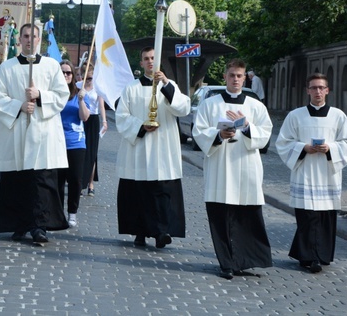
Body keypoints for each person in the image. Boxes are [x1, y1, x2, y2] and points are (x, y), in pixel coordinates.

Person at [192, 58, 273, 279]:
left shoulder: (256, 106)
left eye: (240, 75)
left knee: (246, 215)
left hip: (246, 166)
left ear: (245, 77)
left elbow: (265, 133)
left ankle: (243, 261)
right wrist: (218, 134)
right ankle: (226, 263)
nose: (236, 79)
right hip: (220, 166)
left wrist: (247, 127)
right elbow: (198, 131)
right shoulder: (210, 104)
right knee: (221, 215)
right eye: (232, 75)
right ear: (225, 77)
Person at [0, 22, 69, 244]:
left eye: (33, 36)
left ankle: (39, 225)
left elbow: (62, 95)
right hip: (16, 132)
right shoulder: (7, 68)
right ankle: (18, 224)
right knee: (17, 180)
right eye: (25, 36)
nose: (28, 40)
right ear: (19, 40)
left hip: (43, 132)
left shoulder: (52, 66)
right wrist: (19, 106)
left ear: (38, 39)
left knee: (40, 181)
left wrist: (40, 95)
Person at [275, 73, 347, 273]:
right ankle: (309, 257)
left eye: (321, 88)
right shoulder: (295, 115)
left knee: (325, 217)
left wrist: (331, 149)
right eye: (314, 88)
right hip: (305, 171)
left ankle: (322, 256)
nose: (318, 91)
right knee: (307, 217)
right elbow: (283, 142)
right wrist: (303, 148)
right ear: (307, 91)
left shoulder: (338, 116)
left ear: (327, 90)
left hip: (328, 173)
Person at [115, 47, 191, 249]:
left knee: (161, 191)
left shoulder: (169, 85)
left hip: (163, 148)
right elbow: (121, 117)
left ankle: (161, 232)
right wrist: (140, 126)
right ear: (141, 63)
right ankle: (140, 232)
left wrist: (166, 84)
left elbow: (183, 108)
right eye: (146, 59)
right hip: (139, 147)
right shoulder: (130, 88)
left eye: (153, 58)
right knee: (139, 192)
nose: (150, 62)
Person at [58, 60, 89, 228]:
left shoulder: (79, 94)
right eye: (62, 72)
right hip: (56, 143)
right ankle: (57, 213)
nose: (65, 76)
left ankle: (72, 213)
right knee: (58, 181)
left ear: (73, 75)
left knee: (75, 180)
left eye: (68, 73)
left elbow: (85, 117)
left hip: (76, 143)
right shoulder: (54, 93)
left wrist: (82, 100)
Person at [76, 63, 107, 197]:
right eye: (87, 77)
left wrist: (105, 121)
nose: (90, 80)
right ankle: (80, 183)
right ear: (83, 76)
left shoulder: (98, 88)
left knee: (92, 154)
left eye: (91, 77)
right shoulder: (78, 86)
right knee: (81, 152)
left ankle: (90, 183)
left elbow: (101, 106)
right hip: (81, 120)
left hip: (93, 120)